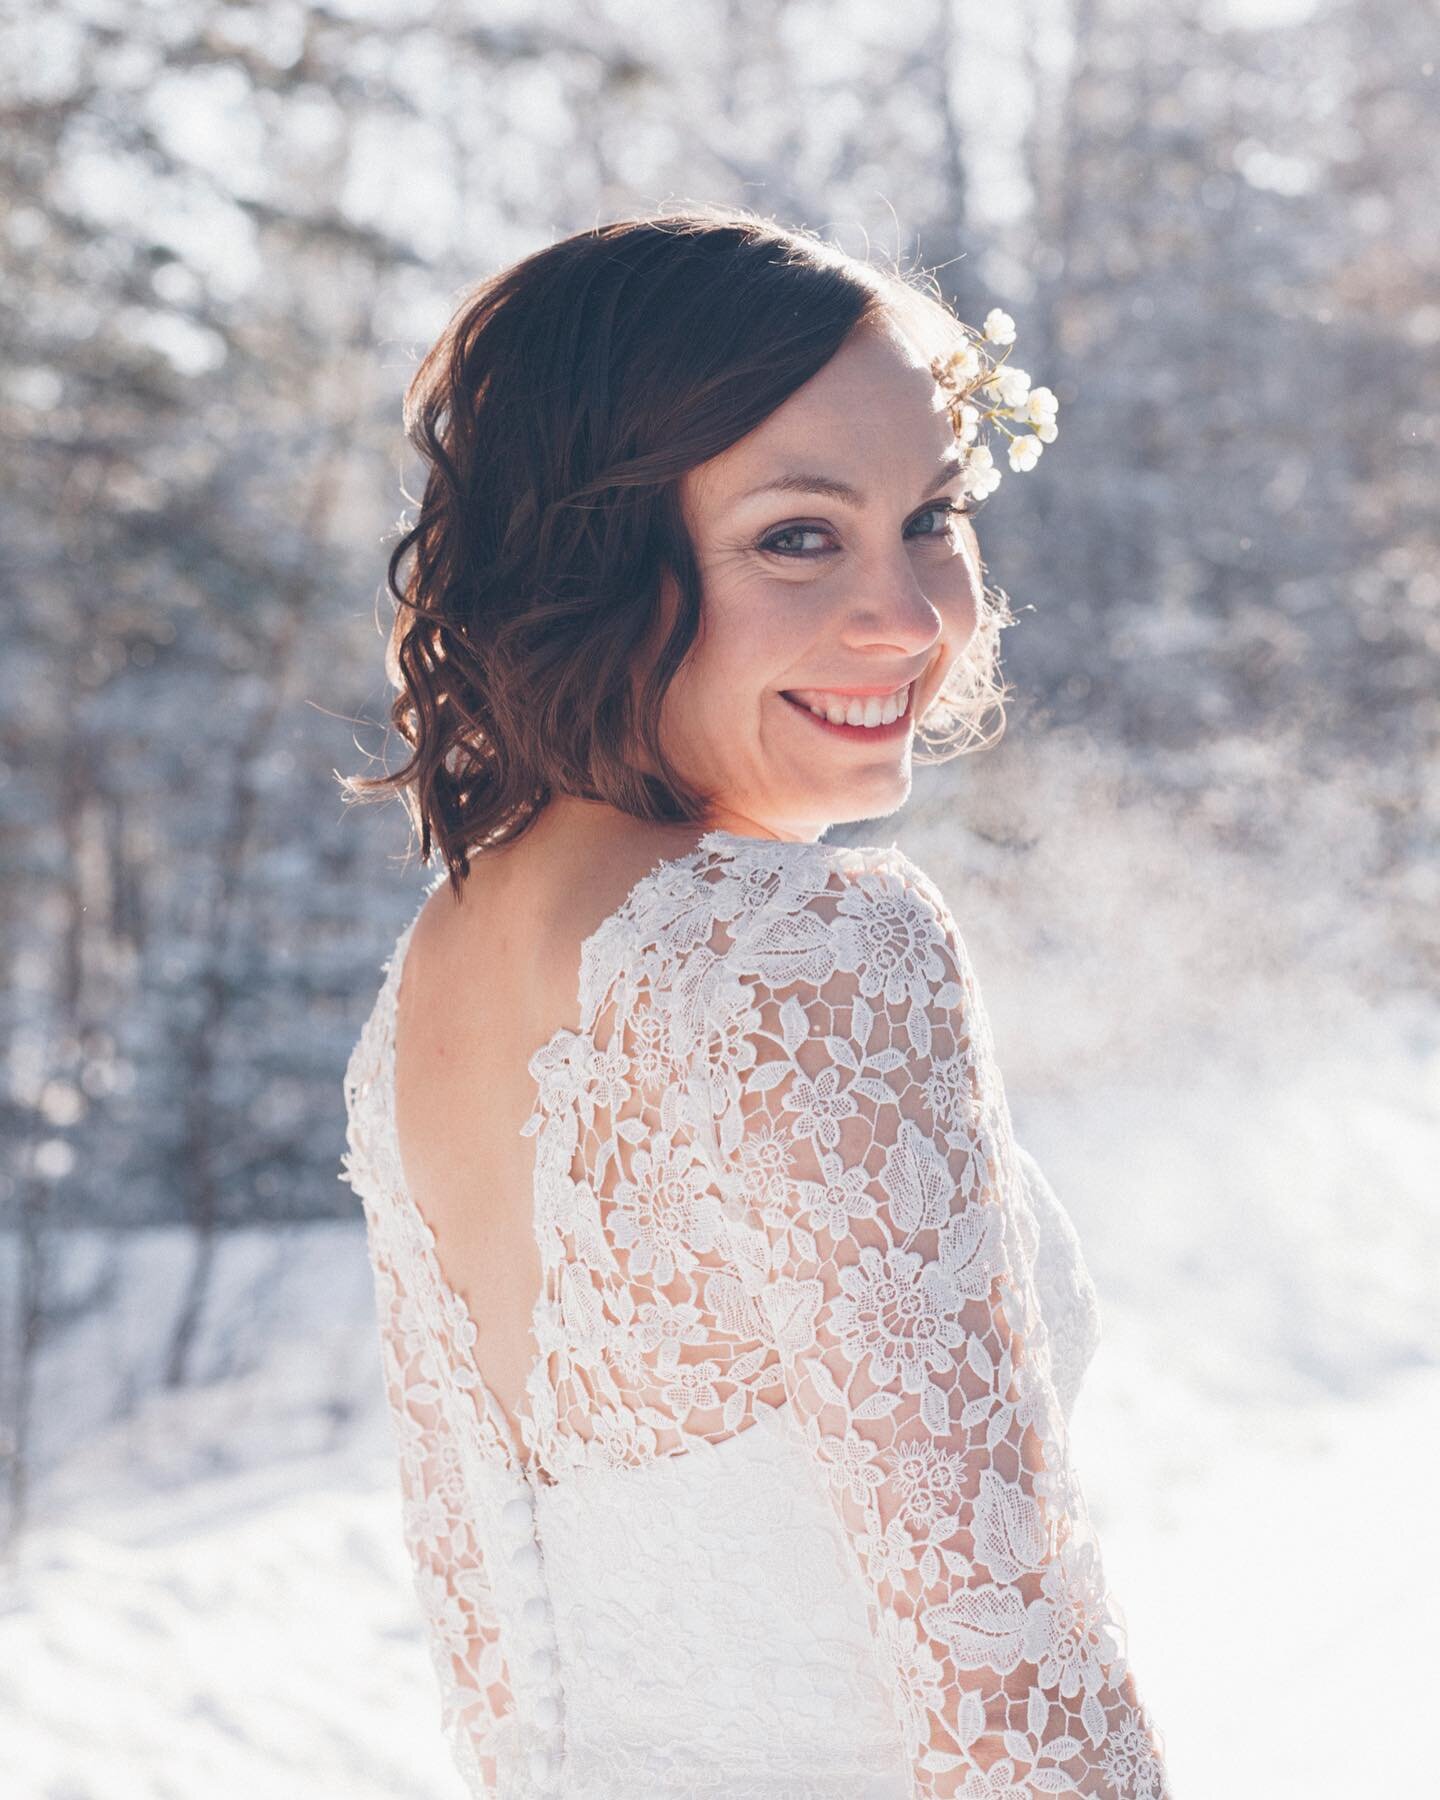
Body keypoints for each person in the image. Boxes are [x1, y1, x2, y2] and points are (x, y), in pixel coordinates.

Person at [339, 206, 1173, 1799]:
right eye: (800, 534)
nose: (913, 616)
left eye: (932, 517)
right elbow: (1009, 1669)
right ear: (597, 560)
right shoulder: (812, 951)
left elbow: (487, 1671)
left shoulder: (429, 979)